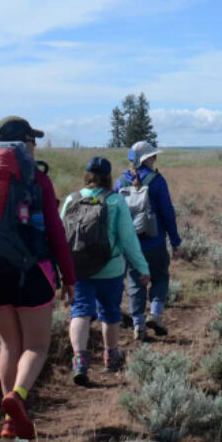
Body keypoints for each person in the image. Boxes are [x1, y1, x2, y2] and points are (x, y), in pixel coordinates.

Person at [0, 116, 76, 441]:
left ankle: (10, 421)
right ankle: (18, 397)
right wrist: (69, 277)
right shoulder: (37, 181)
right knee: (36, 346)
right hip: (31, 273)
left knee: (9, 343)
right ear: (24, 143)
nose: (35, 146)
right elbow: (55, 232)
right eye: (32, 140)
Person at [60, 157, 150, 386]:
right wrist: (142, 267)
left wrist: (59, 269)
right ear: (109, 177)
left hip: (78, 268)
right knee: (110, 311)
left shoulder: (72, 199)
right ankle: (111, 355)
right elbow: (128, 239)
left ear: (87, 175)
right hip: (110, 269)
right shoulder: (116, 201)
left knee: (80, 310)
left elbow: (60, 238)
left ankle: (79, 359)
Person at [115, 141, 181, 340]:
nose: (155, 159)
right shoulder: (157, 180)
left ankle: (138, 326)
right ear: (147, 159)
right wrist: (175, 241)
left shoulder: (120, 181)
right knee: (160, 278)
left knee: (136, 284)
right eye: (153, 156)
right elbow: (168, 213)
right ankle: (155, 313)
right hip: (155, 242)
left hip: (130, 245)